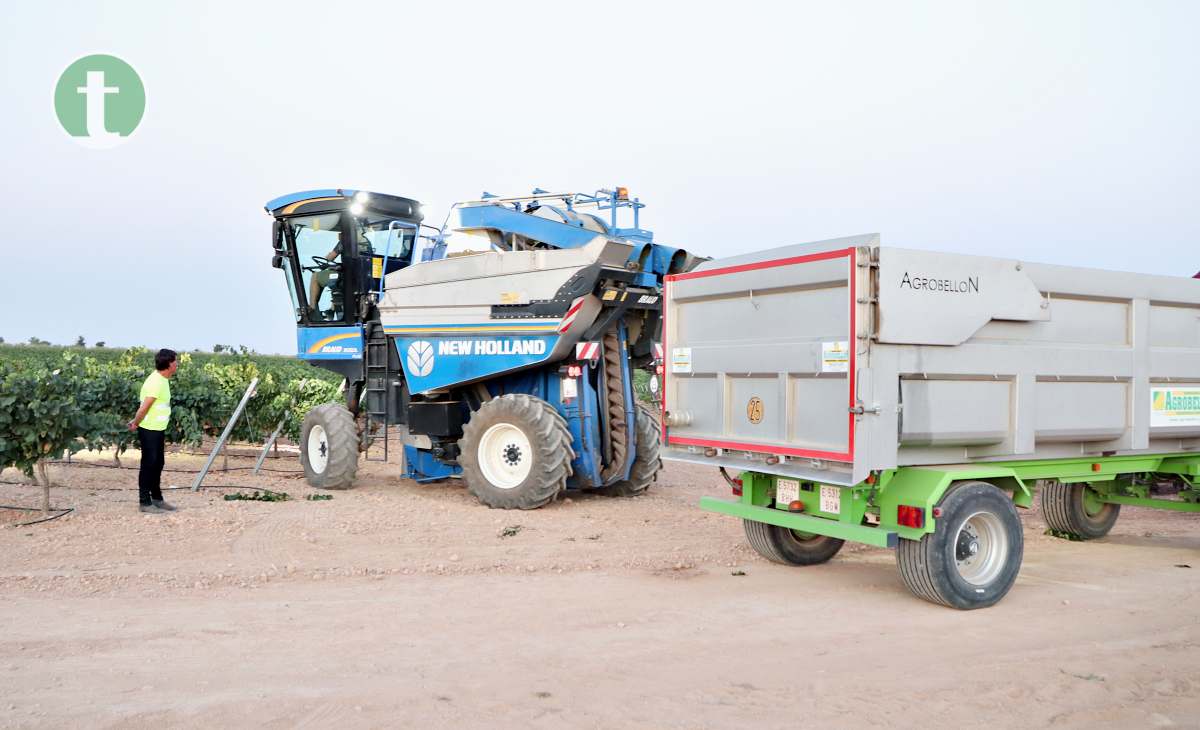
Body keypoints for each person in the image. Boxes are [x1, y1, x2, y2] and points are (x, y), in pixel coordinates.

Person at [127, 349, 178, 514]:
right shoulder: (156, 382)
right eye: (175, 361)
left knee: (158, 464)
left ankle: (157, 498)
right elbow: (144, 408)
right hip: (149, 430)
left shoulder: (162, 379)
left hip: (158, 429)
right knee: (148, 465)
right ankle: (144, 502)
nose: (177, 364)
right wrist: (135, 422)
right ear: (169, 364)